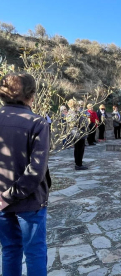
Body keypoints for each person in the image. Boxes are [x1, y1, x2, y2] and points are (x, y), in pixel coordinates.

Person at [0, 73, 51, 276]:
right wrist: (9, 196)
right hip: (29, 201)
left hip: (1, 201)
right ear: (31, 95)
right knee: (35, 252)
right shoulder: (37, 123)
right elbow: (36, 170)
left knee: (10, 250)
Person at [67, 99, 89, 170]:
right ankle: (78, 164)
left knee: (78, 149)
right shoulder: (73, 113)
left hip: (77, 132)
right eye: (77, 105)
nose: (78, 106)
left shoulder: (72, 112)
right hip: (78, 132)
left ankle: (78, 163)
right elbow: (75, 122)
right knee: (79, 149)